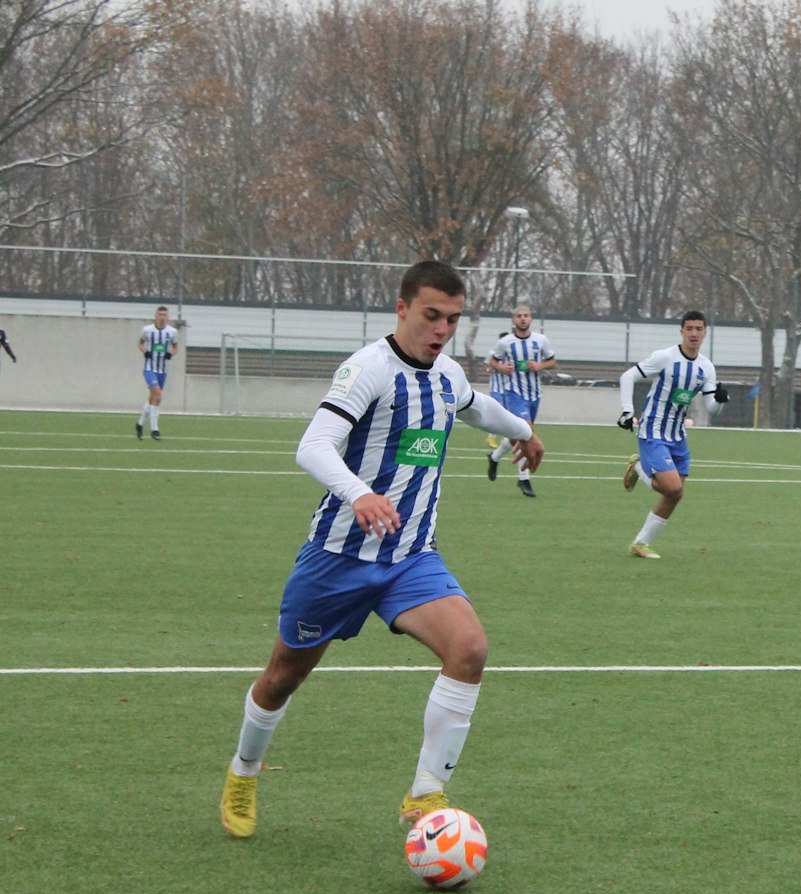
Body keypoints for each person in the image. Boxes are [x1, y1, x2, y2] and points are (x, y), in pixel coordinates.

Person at [217, 260, 545, 839]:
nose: (441, 329)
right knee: (282, 677)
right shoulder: (367, 369)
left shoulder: (445, 374)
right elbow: (313, 446)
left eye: (453, 318)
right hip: (338, 557)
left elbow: (476, 407)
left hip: (412, 558)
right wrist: (359, 493)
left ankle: (425, 794)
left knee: (468, 649)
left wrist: (521, 431)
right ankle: (244, 771)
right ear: (402, 309)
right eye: (431, 315)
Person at [618, 311, 727, 559]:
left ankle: (640, 543)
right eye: (689, 328)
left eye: (699, 329)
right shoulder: (665, 357)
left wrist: (720, 401)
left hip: (678, 435)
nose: (694, 333)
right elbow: (628, 376)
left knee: (675, 494)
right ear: (681, 331)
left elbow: (711, 407)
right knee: (672, 487)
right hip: (653, 429)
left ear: (705, 332)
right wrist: (627, 410)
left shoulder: (706, 367)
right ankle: (639, 468)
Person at [485, 303, 557, 497]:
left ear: (531, 319)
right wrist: (501, 368)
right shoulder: (506, 342)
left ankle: (495, 456)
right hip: (514, 394)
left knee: (517, 434)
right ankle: (523, 479)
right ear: (513, 320)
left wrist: (539, 366)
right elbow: (491, 360)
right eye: (519, 316)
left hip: (534, 394)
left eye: (526, 315)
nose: (523, 319)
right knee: (526, 432)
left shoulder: (540, 340)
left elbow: (552, 361)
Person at [136, 305, 177, 440]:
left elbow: (175, 346)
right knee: (158, 395)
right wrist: (144, 351)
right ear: (155, 315)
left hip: (162, 370)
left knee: (153, 398)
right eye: (160, 314)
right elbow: (140, 343)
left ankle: (140, 423)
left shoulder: (172, 332)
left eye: (164, 315)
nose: (162, 317)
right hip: (149, 369)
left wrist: (171, 354)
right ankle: (155, 430)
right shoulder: (147, 330)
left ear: (168, 317)